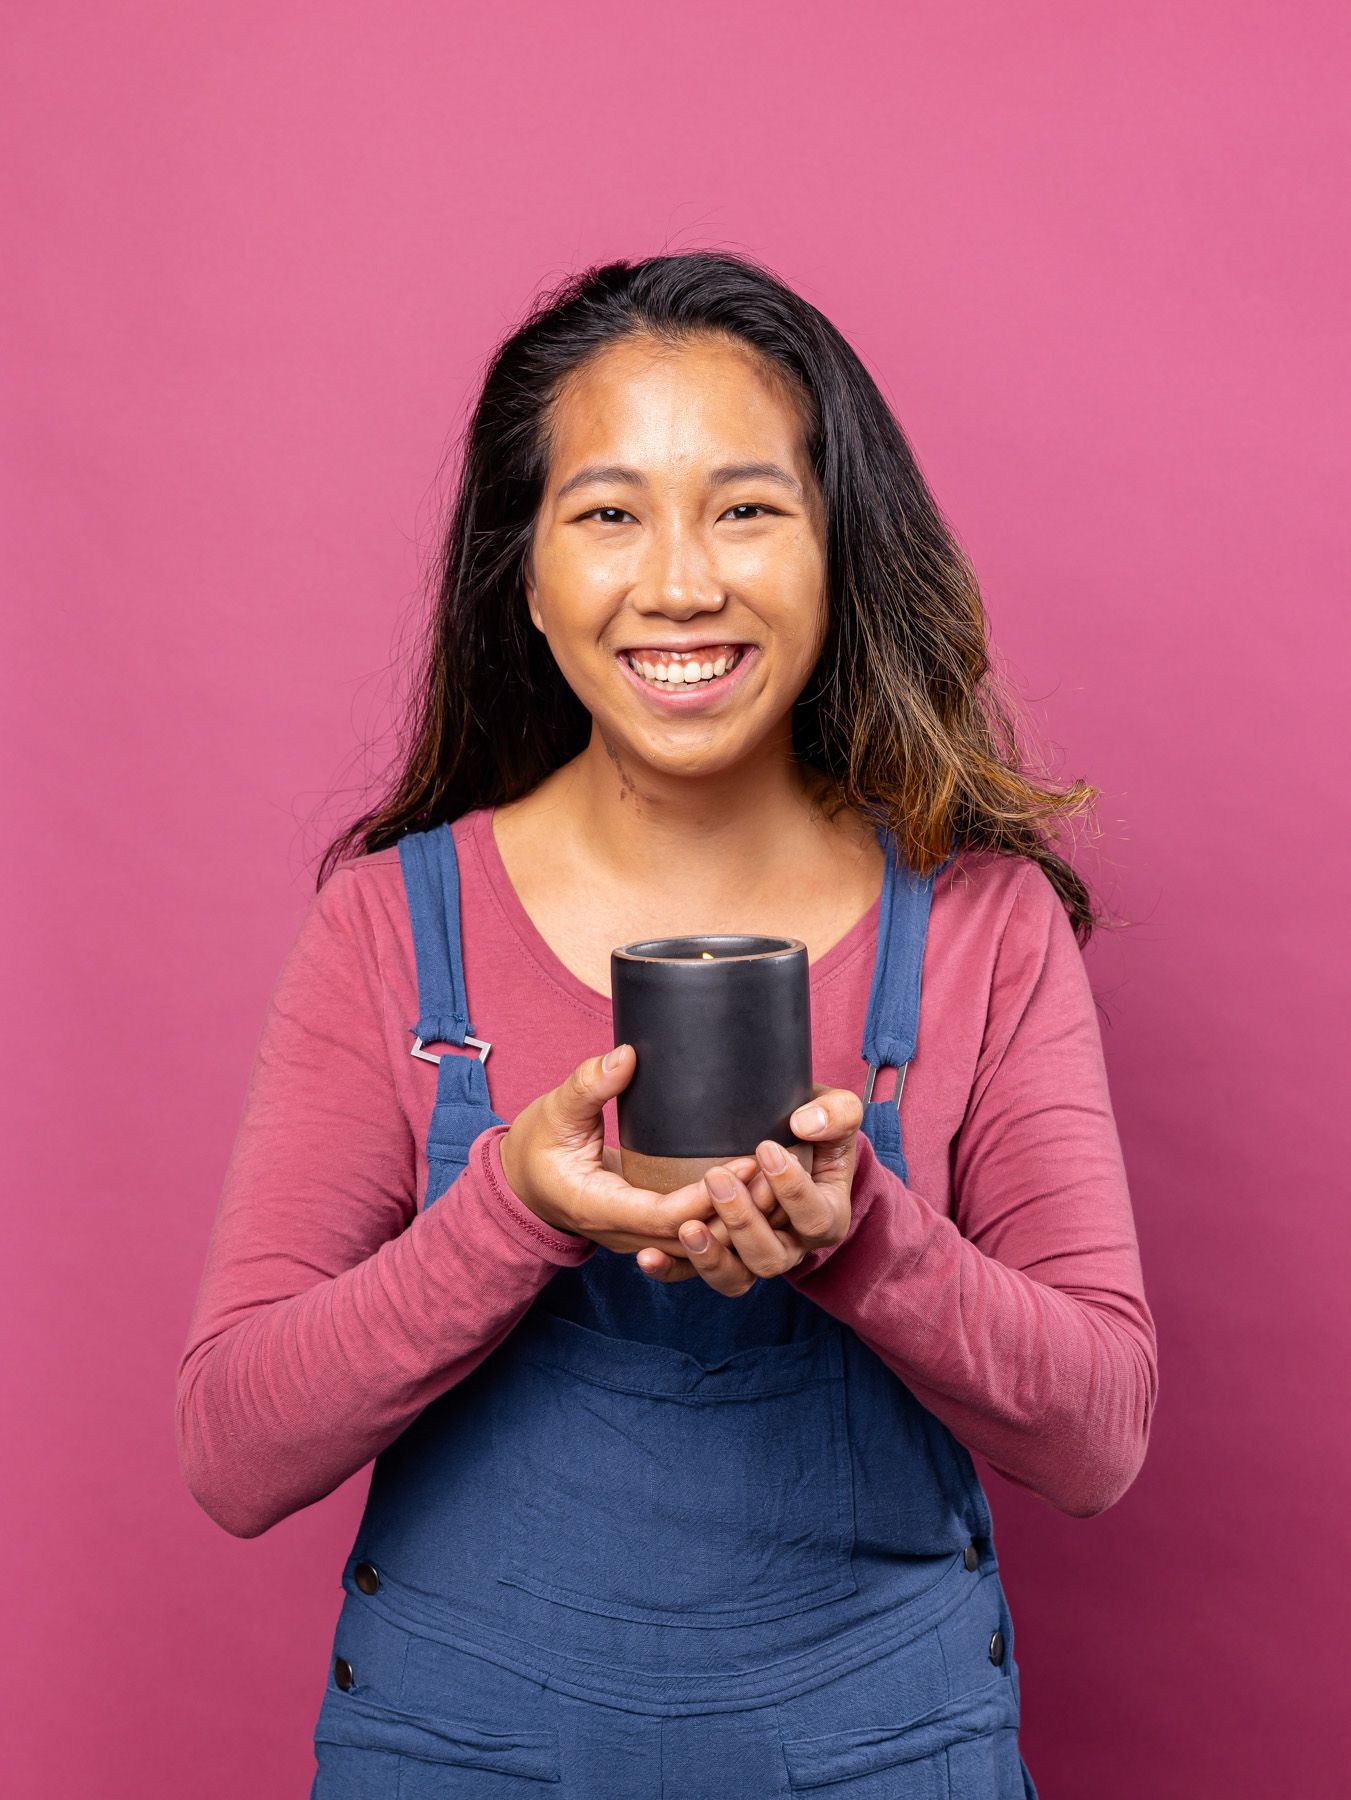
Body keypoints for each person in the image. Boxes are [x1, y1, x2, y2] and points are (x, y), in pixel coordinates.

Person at [176, 251, 1158, 1799]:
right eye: (610, 511)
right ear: (528, 573)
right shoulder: (388, 926)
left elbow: (1100, 1438)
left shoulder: (982, 926)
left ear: (842, 549)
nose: (682, 580)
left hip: (888, 1755)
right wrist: (507, 1210)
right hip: (457, 1755)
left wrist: (863, 1243)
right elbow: (233, 1451)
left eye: (749, 507)